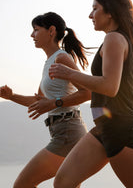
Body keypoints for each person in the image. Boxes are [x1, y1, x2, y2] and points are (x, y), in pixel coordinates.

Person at [49, 0, 133, 188]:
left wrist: (69, 73)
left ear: (109, 12)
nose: (90, 15)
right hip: (105, 128)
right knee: (63, 182)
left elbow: (109, 86)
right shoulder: (124, 40)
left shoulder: (114, 39)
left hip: (122, 130)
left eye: (95, 9)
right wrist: (122, 101)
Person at [0, 12, 91, 188]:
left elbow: (87, 93)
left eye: (35, 30)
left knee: (23, 184)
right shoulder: (48, 62)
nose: (31, 35)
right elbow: (39, 101)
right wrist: (11, 96)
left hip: (68, 132)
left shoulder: (62, 57)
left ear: (51, 31)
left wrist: (54, 103)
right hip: (62, 131)